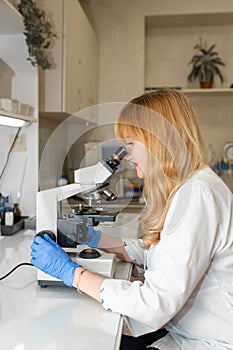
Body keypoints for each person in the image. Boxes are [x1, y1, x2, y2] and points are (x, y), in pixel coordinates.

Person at [31, 88, 233, 349]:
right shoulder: (188, 186)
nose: (126, 155)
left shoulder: (197, 195)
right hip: (184, 330)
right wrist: (96, 239)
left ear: (158, 140)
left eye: (131, 144)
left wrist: (73, 275)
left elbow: (154, 304)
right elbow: (160, 256)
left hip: (211, 340)